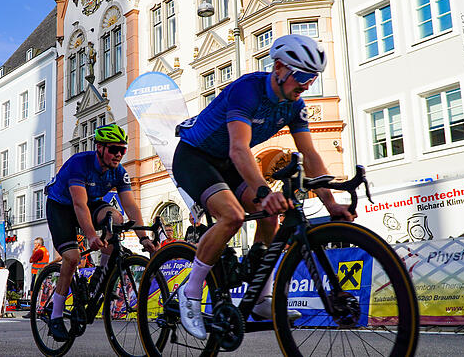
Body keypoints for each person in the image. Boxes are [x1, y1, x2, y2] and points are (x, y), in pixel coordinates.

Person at [172, 34, 356, 338]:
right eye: (303, 76)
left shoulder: (294, 105)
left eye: (313, 77)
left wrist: (331, 203)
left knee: (271, 216)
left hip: (228, 163)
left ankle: (261, 297)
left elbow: (310, 155)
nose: (307, 84)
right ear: (280, 68)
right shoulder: (248, 89)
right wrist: (262, 191)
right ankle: (190, 293)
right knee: (232, 215)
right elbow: (239, 150)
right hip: (195, 157)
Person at [44, 124, 157, 341]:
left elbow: (131, 206)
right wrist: (91, 236)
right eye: (114, 149)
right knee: (72, 257)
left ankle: (101, 273)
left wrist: (143, 238)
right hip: (61, 206)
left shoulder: (119, 172)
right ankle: (56, 315)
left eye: (122, 150)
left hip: (91, 202)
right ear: (100, 148)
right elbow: (78, 205)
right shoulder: (80, 163)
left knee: (116, 219)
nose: (118, 155)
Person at [21, 237, 50, 319]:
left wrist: (34, 252)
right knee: (42, 293)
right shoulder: (45, 250)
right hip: (42, 272)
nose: (34, 245)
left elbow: (31, 259)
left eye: (35, 244)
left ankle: (32, 310)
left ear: (38, 244)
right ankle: (39, 310)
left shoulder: (39, 251)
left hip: (37, 273)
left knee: (33, 291)